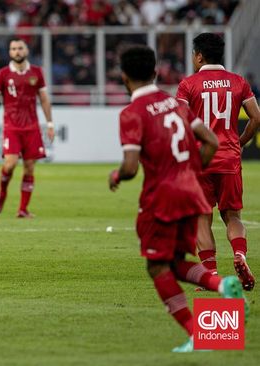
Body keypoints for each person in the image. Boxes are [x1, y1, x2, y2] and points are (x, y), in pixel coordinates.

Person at [109, 45, 246, 352]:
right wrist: (190, 169)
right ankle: (221, 284)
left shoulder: (131, 113)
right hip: (191, 193)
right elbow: (209, 141)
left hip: (162, 199)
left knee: (157, 268)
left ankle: (196, 334)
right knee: (172, 262)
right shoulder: (175, 104)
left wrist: (115, 177)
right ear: (155, 72)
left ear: (124, 77)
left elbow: (130, 168)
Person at [176, 33, 260, 291]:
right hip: (229, 158)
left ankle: (210, 273)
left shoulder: (188, 85)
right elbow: (256, 118)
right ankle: (239, 254)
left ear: (199, 56)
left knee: (202, 218)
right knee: (232, 216)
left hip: (201, 160)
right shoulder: (238, 82)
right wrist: (240, 141)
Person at [0, 37, 54, 218]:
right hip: (12, 127)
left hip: (32, 127)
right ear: (10, 53)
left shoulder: (37, 72)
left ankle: (23, 209)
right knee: (10, 164)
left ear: (26, 51)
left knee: (29, 167)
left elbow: (44, 99)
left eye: (20, 48)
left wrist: (50, 123)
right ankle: (2, 194)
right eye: (13, 49)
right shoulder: (3, 74)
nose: (17, 52)